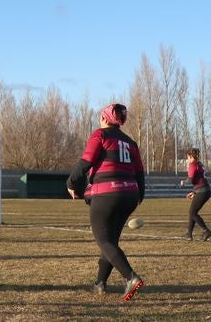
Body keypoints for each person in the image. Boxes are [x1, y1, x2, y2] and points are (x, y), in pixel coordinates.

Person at [66, 103, 145, 302]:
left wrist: (70, 183)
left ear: (104, 118)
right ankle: (100, 283)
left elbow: (86, 162)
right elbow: (139, 172)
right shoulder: (130, 142)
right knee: (110, 241)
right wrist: (140, 195)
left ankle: (131, 277)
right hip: (130, 194)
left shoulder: (100, 135)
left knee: (104, 240)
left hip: (107, 193)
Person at [181, 148, 211, 241]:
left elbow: (190, 179)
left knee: (192, 212)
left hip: (202, 191)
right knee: (192, 212)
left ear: (191, 156)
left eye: (187, 157)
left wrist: (183, 182)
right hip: (205, 190)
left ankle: (206, 231)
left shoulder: (192, 165)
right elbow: (200, 179)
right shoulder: (200, 164)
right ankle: (189, 234)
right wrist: (194, 192)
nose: (187, 159)